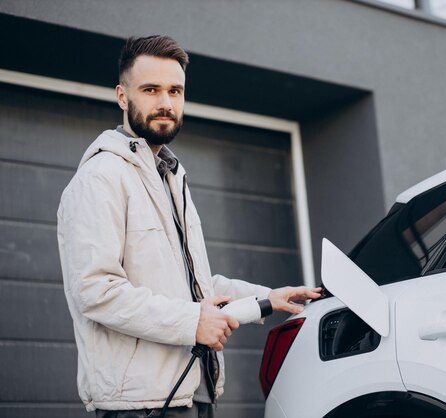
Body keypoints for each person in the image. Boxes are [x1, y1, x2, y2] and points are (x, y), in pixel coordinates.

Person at [57, 35, 321, 418]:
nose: (166, 103)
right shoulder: (100, 178)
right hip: (140, 406)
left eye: (175, 91)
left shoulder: (171, 177)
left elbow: (195, 290)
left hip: (194, 394)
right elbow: (96, 290)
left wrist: (268, 298)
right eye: (150, 90)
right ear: (122, 96)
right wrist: (193, 321)